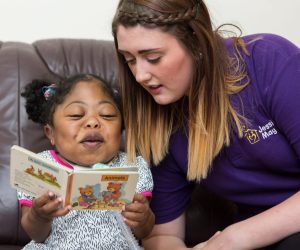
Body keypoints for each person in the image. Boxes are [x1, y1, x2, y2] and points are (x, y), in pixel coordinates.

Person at [111, 0, 300, 249]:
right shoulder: (158, 119)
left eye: (153, 58)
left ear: (197, 43)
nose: (140, 75)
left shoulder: (269, 59)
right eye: (130, 60)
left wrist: (236, 237)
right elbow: (162, 237)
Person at [18, 74, 154, 250]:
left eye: (107, 115)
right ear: (50, 133)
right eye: (76, 115)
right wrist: (39, 216)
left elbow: (144, 232)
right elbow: (35, 233)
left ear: (121, 130)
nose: (92, 122)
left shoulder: (132, 166)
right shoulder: (39, 167)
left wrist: (143, 218)